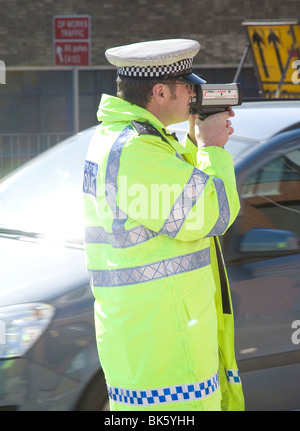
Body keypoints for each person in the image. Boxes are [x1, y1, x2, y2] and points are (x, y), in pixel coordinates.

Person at [82, 38, 244, 411]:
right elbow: (212, 213)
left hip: (147, 341)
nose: (195, 93)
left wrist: (193, 137)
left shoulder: (127, 140)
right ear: (159, 91)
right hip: (167, 354)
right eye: (188, 86)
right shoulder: (139, 152)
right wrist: (214, 150)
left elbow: (175, 196)